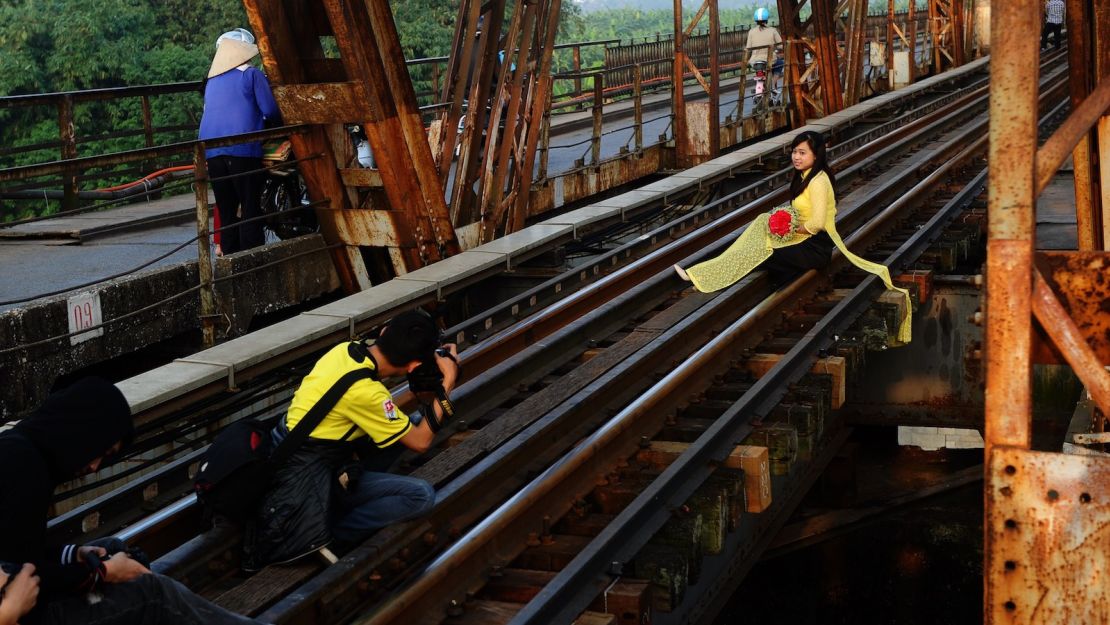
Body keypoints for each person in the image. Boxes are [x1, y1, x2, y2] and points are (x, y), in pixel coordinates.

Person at [0, 377, 266, 625]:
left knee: (111, 547)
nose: (94, 466)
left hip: (23, 597)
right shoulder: (25, 467)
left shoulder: (21, 450)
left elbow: (19, 551)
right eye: (100, 451)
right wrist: (101, 573)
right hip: (26, 613)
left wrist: (76, 555)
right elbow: (18, 575)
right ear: (81, 431)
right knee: (153, 592)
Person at [242, 310, 460, 570]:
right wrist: (447, 382)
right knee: (421, 495)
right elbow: (421, 442)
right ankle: (336, 533)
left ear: (383, 333)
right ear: (413, 365)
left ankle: (341, 503)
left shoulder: (345, 351)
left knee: (408, 424)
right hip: (308, 481)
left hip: (303, 458)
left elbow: (382, 412)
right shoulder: (367, 393)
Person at [674, 130, 912, 344]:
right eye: (794, 153)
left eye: (802, 152)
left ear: (816, 154)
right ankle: (704, 272)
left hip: (815, 249)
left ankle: (709, 276)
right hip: (806, 243)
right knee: (758, 232)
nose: (796, 157)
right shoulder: (804, 177)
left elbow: (818, 222)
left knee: (762, 252)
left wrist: (791, 230)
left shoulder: (818, 181)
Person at [198, 28, 282, 255]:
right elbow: (271, 110)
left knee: (226, 210)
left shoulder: (212, 81)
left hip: (213, 152)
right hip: (243, 150)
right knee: (249, 206)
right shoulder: (251, 74)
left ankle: (231, 258)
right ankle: (252, 259)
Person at [745, 8, 783, 81]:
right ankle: (773, 84)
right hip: (770, 60)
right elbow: (780, 46)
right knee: (780, 63)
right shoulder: (773, 30)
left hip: (754, 61)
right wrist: (776, 49)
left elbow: (748, 48)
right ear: (767, 19)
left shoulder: (751, 31)